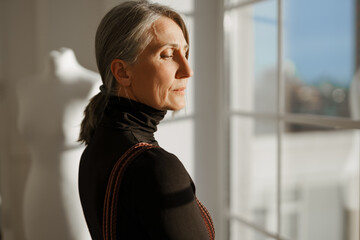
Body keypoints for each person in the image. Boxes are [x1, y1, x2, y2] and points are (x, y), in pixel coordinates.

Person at [78, 1, 215, 240]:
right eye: (168, 55)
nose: (187, 70)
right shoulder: (156, 168)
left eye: (185, 53)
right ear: (122, 72)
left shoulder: (95, 146)